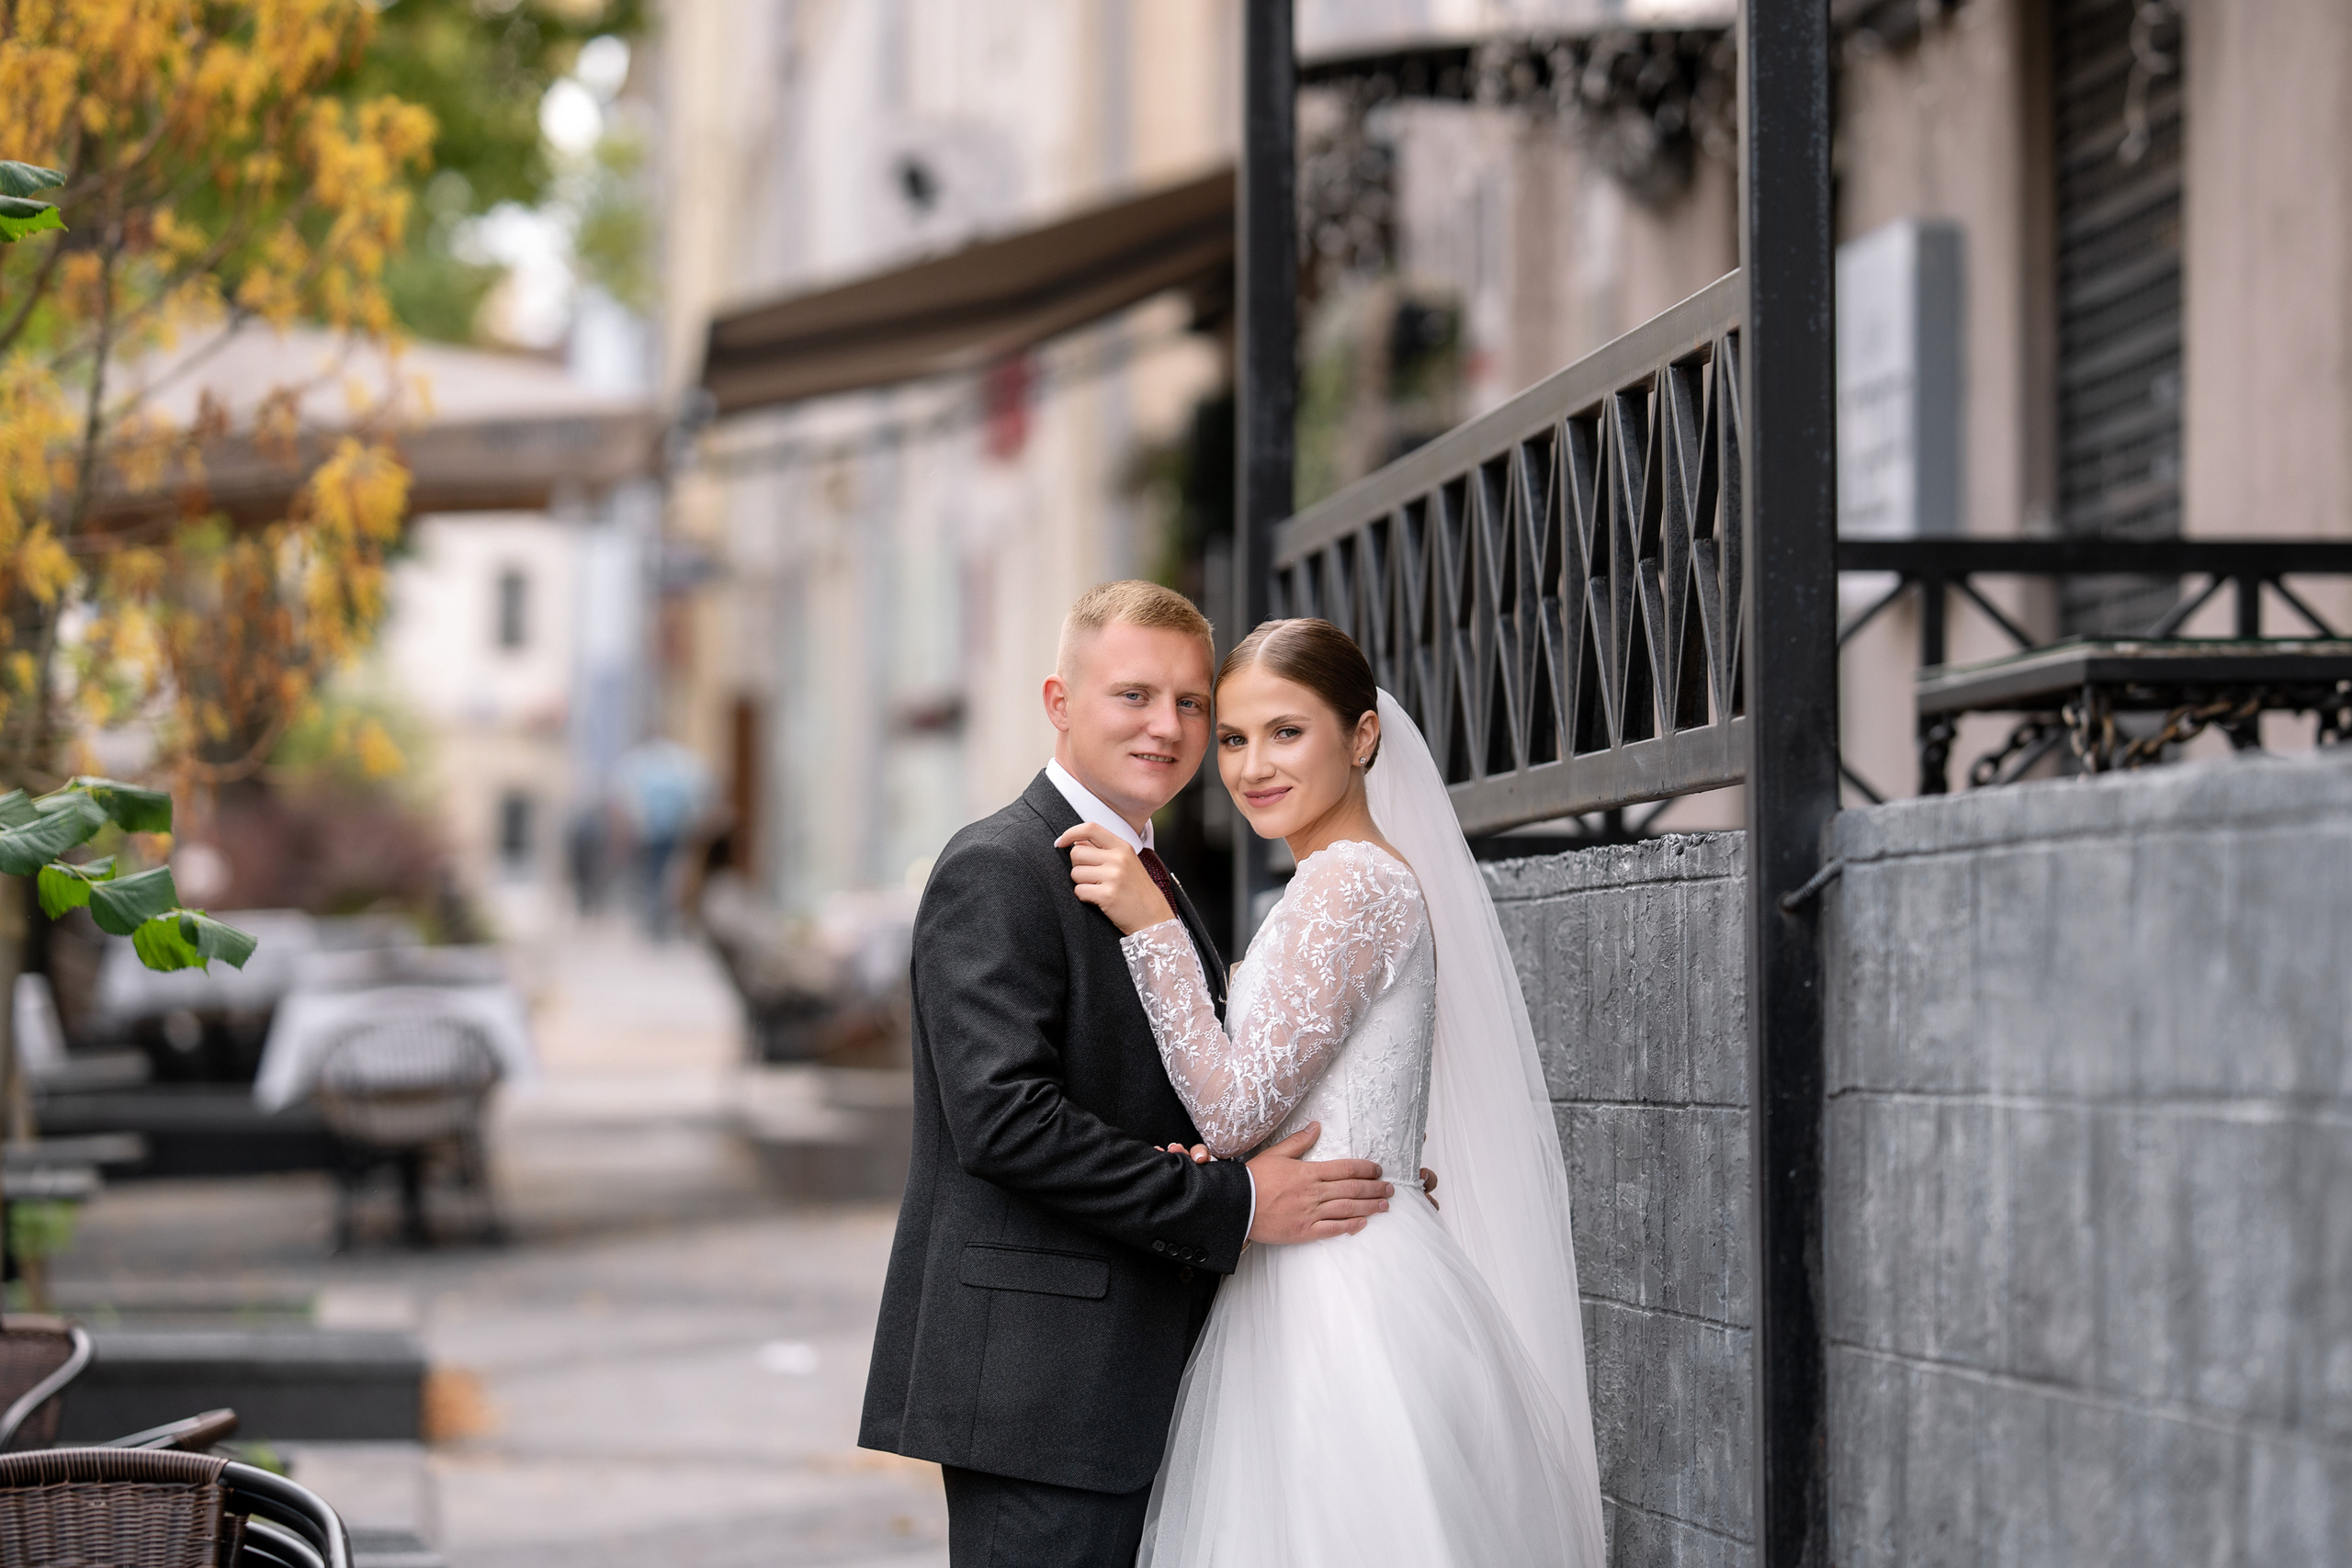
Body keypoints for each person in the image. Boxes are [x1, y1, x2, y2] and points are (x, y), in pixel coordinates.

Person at [860, 583, 1402, 1566]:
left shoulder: (1151, 875)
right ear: (1059, 702)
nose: (1168, 727)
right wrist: (1232, 1203)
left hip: (1142, 1373)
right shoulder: (998, 866)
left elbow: (1193, 1089)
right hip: (1039, 1385)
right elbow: (1004, 1122)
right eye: (1134, 696)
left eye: (1193, 704)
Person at [1060, 617, 1607, 1566]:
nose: (1250, 766)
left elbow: (1233, 1113)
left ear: (1360, 738)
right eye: (1232, 738)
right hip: (1316, 1258)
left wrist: (1150, 922)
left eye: (1286, 732)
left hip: (1340, 1287)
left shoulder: (1349, 885)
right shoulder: (1329, 884)